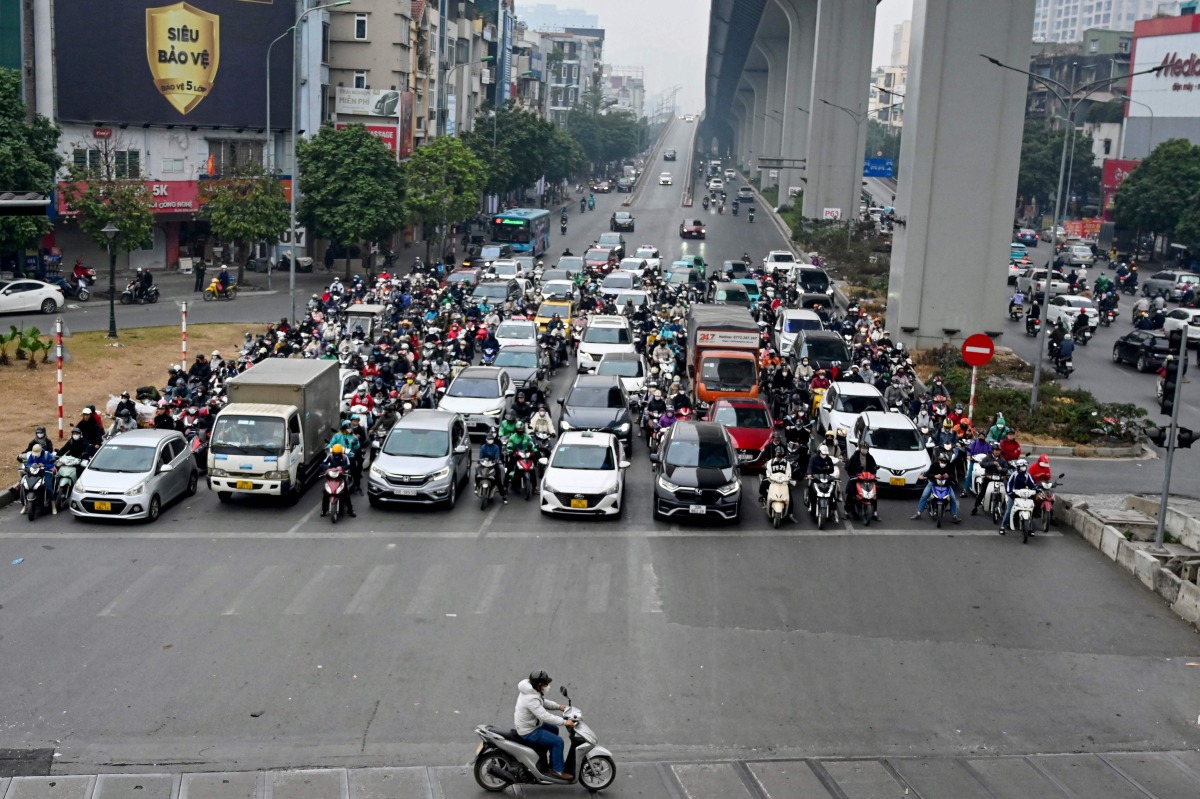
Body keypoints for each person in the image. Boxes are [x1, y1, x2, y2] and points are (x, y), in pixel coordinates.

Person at [514, 671, 574, 780]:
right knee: (558, 741)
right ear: (539, 685)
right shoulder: (531, 698)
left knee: (554, 729)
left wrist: (558, 706)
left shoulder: (531, 691)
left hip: (531, 725)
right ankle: (557, 770)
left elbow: (542, 701)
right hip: (529, 731)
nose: (547, 686)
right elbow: (544, 716)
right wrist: (565, 722)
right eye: (545, 684)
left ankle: (552, 762)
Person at [844, 441, 880, 520]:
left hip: (867, 478)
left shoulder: (870, 458)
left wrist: (874, 470)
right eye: (863, 448)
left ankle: (875, 512)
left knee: (874, 493)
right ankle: (846, 510)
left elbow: (874, 468)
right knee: (850, 491)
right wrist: (854, 474)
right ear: (860, 448)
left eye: (866, 448)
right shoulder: (855, 457)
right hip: (856, 478)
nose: (864, 450)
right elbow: (849, 467)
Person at [759, 446, 797, 522]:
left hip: (783, 482)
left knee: (789, 495)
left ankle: (790, 514)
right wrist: (770, 477)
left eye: (781, 453)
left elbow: (789, 474)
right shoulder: (770, 462)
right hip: (773, 480)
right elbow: (768, 472)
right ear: (775, 454)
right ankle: (765, 498)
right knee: (762, 486)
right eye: (778, 453)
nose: (779, 455)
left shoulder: (787, 463)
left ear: (783, 454)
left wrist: (787, 479)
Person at [1000, 458, 1037, 534]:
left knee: (1030, 509)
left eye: (1025, 466)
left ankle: (1030, 528)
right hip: (1014, 495)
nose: (1024, 467)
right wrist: (1010, 492)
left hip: (1024, 495)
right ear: (1018, 467)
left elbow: (1032, 484)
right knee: (1009, 510)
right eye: (1022, 466)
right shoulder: (1014, 474)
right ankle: (1002, 526)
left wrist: (1037, 489)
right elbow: (1009, 484)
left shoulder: (1028, 475)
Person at [971, 442, 1009, 514]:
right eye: (995, 450)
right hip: (988, 478)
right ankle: (975, 507)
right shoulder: (988, 457)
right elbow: (982, 464)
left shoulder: (1002, 459)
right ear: (992, 450)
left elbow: (1006, 469)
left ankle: (1004, 508)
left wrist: (1002, 469)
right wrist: (992, 463)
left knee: (1006, 492)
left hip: (999, 478)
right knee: (982, 492)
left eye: (998, 450)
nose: (997, 452)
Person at [319, 444, 356, 517]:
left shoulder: (345, 457)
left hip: (341, 478)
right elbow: (323, 464)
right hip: (331, 478)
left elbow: (348, 465)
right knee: (326, 494)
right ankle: (323, 510)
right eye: (335, 453)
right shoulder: (330, 456)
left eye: (337, 454)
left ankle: (350, 510)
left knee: (346, 494)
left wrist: (342, 468)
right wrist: (328, 468)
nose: (336, 455)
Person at [19, 444, 55, 515]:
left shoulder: (47, 454)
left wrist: (44, 465)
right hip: (35, 472)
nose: (36, 455)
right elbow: (29, 463)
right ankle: (25, 506)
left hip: (46, 472)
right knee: (25, 485)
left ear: (41, 451)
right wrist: (32, 465)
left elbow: (52, 465)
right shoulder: (32, 455)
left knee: (48, 487)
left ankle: (53, 505)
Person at [478, 431, 508, 503]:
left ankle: (503, 495)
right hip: (484, 464)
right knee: (477, 469)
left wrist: (495, 461)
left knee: (498, 477)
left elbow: (497, 457)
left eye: (491, 439)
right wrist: (481, 460)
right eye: (489, 439)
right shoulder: (483, 447)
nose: (490, 440)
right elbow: (481, 457)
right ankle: (476, 485)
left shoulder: (496, 447)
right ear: (486, 439)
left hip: (493, 464)